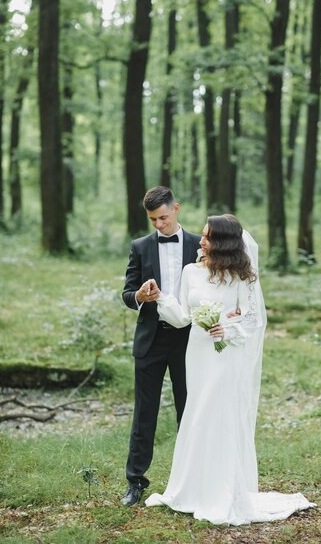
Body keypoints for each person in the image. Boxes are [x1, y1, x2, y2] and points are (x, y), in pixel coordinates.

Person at [144, 214, 315, 525]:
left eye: (208, 236)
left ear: (223, 242)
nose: (202, 240)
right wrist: (162, 299)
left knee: (220, 414)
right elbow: (183, 316)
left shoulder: (242, 277)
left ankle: (222, 491)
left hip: (227, 355)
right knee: (198, 413)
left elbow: (253, 319)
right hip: (198, 351)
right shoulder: (190, 272)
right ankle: (191, 488)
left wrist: (227, 328)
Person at [120, 186, 201, 507]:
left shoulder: (199, 244)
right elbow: (127, 293)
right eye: (153, 220)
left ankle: (192, 479)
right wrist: (140, 296)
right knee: (144, 414)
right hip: (151, 341)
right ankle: (135, 482)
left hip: (189, 341)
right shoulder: (140, 247)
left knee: (190, 411)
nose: (158, 225)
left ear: (176, 209)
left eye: (163, 218)